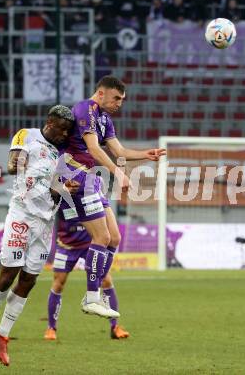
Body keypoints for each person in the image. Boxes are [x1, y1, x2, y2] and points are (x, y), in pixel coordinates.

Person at [0, 105, 76, 367]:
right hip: (22, 215)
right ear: (50, 124)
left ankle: (2, 335)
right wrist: (21, 163)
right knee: (8, 274)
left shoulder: (61, 154)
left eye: (68, 131)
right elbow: (11, 165)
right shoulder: (26, 135)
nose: (65, 135)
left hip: (45, 222)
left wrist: (64, 187)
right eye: (62, 130)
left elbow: (56, 189)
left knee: (29, 279)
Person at [61, 75, 165, 318]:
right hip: (75, 176)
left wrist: (145, 154)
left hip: (93, 179)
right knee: (102, 236)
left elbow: (119, 150)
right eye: (116, 97)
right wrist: (119, 174)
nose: (120, 103)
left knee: (114, 238)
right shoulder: (84, 109)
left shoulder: (105, 118)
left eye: (122, 99)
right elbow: (95, 149)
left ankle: (94, 296)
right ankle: (92, 298)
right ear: (101, 93)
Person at [44, 204, 129, 341]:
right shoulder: (63, 193)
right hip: (67, 245)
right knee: (59, 283)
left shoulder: (91, 193)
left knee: (106, 279)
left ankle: (115, 326)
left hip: (92, 244)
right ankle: (51, 327)